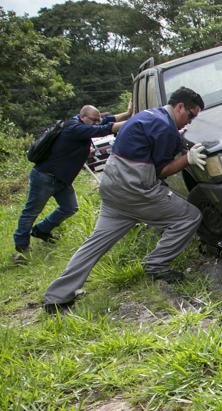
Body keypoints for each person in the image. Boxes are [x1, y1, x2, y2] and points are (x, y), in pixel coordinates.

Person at [41, 87, 208, 314]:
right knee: (189, 217)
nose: (190, 121)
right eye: (191, 115)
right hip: (135, 190)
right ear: (180, 107)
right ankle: (156, 265)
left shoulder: (148, 115)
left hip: (112, 188)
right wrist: (188, 158)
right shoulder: (164, 127)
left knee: (95, 243)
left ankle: (56, 297)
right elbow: (162, 171)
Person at [12, 105, 130, 265]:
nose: (97, 123)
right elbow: (103, 129)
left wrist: (128, 113)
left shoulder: (83, 122)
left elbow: (107, 120)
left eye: (97, 119)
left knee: (70, 207)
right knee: (31, 212)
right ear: (83, 117)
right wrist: (135, 121)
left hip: (61, 179)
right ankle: (22, 246)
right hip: (45, 177)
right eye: (94, 120)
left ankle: (41, 230)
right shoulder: (74, 128)